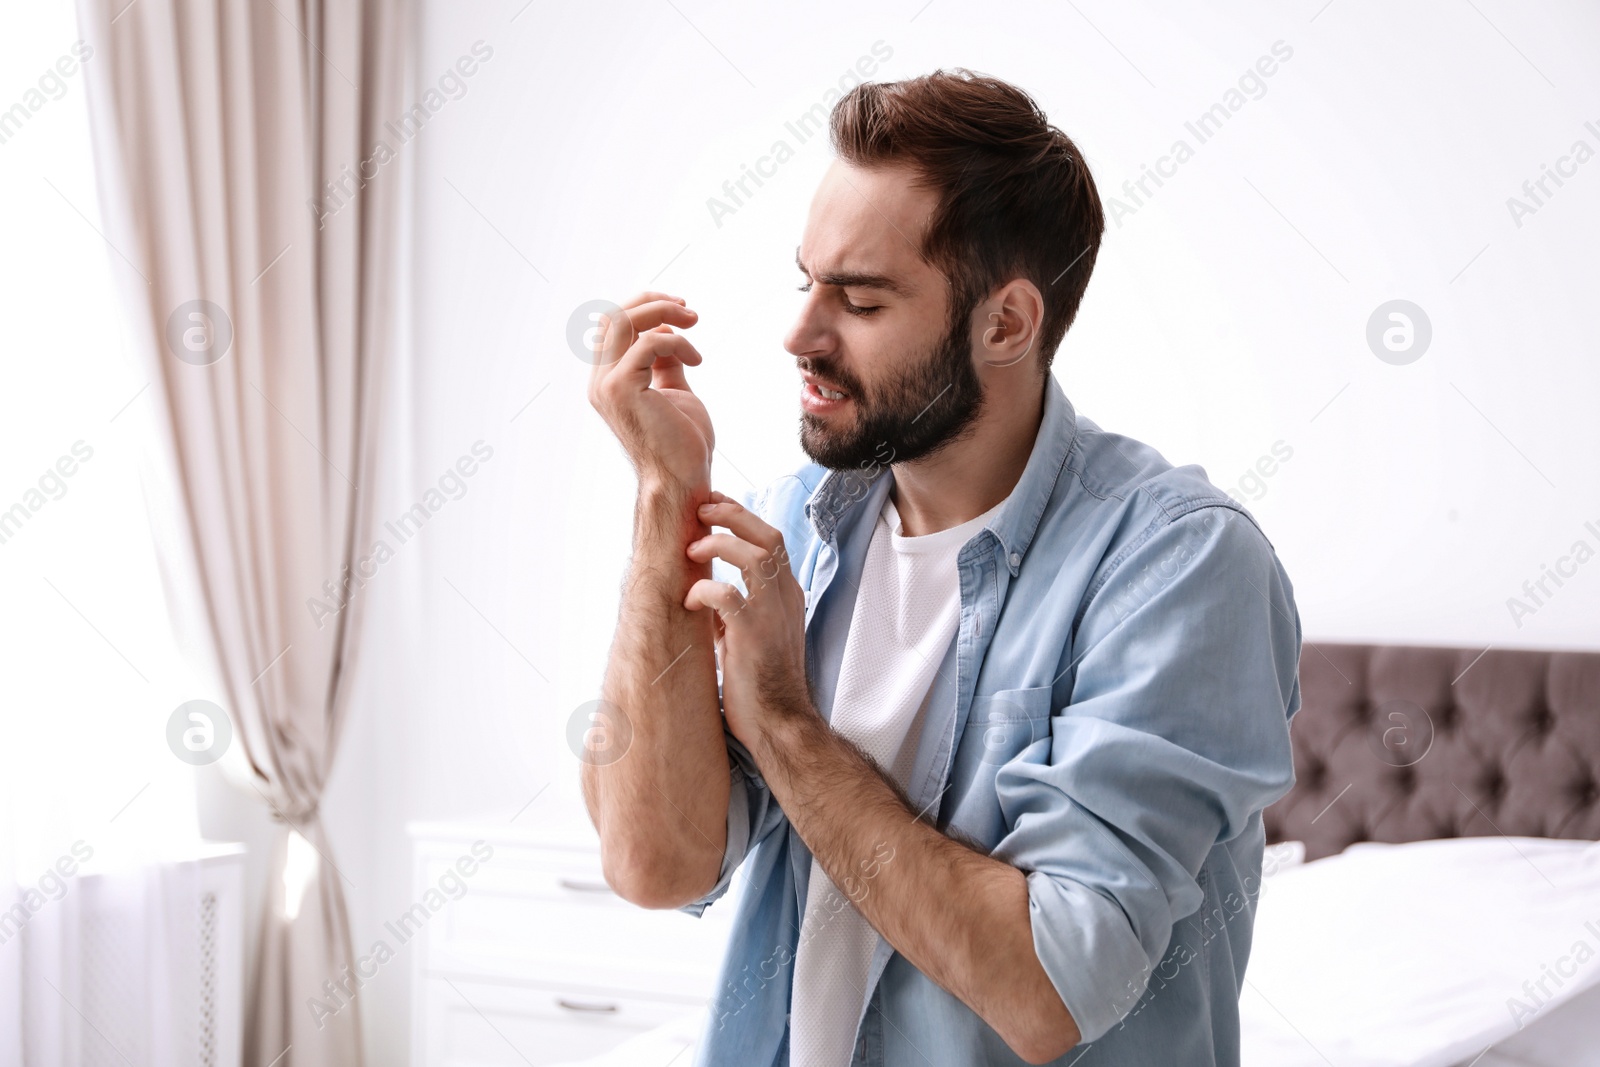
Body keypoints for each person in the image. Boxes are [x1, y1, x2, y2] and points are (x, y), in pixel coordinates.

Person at [582, 67, 1302, 1067]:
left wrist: (784, 720)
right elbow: (653, 863)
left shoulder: (1177, 563)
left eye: (861, 299)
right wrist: (666, 494)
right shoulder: (798, 522)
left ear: (1005, 323)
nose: (799, 333)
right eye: (806, 283)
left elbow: (1051, 986)